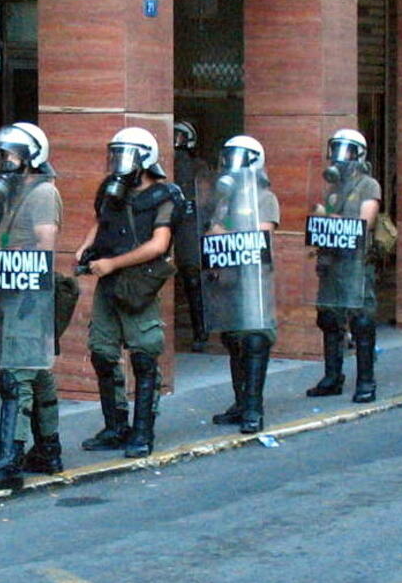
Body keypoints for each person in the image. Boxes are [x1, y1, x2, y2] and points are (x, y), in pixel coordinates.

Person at [77, 127, 184, 457]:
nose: (119, 162)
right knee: (102, 352)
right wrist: (86, 247)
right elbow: (102, 219)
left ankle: (142, 432)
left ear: (146, 159)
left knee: (143, 354)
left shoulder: (164, 196)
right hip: (108, 280)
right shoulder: (112, 190)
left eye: (127, 155)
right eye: (116, 154)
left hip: (138, 282)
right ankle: (115, 426)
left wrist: (113, 263)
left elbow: (159, 244)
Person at [0, 123, 64, 491]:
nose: (3, 160)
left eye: (9, 154)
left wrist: (0, 254)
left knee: (15, 376)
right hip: (17, 295)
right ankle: (47, 449)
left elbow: (44, 247)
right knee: (36, 371)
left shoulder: (41, 194)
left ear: (30, 157)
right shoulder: (18, 194)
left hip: (30, 297)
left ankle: (10, 458)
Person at [205, 136, 279, 433]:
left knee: (254, 340)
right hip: (228, 280)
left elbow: (260, 236)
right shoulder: (223, 200)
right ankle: (239, 403)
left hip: (255, 282)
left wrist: (225, 231)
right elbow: (212, 233)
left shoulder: (264, 198)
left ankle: (253, 408)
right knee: (233, 340)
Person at [305, 129, 381, 403]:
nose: (340, 157)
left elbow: (365, 222)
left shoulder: (368, 185)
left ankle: (366, 381)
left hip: (357, 263)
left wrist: (333, 219)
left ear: (359, 154)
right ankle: (332, 377)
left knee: (360, 321)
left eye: (346, 151)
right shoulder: (332, 188)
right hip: (332, 261)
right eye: (336, 149)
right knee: (328, 318)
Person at [172, 121, 210, 352]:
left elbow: (205, 199)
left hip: (189, 224)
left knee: (193, 278)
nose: (176, 141)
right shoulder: (165, 163)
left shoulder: (198, 166)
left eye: (180, 136)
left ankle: (201, 331)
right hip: (170, 221)